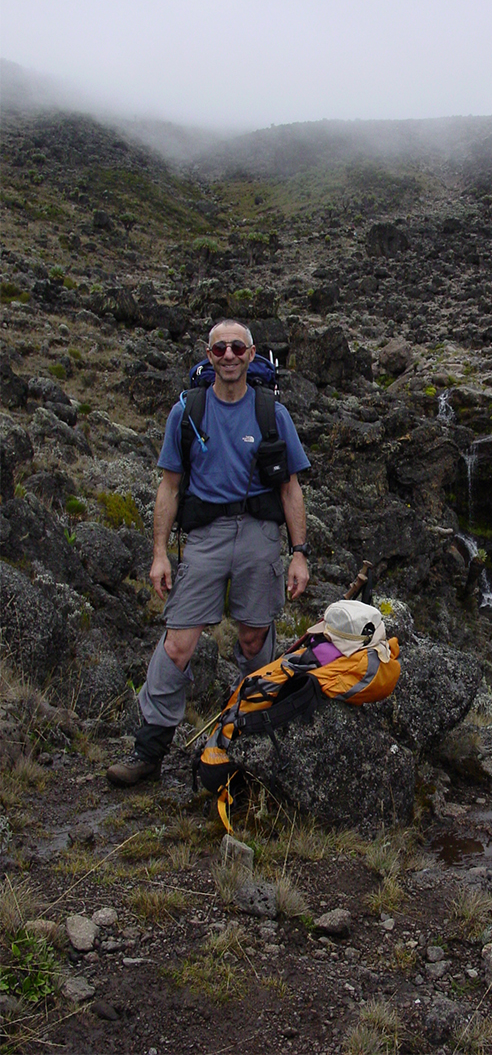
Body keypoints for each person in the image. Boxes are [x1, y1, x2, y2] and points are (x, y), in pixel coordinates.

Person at [108, 319, 310, 786]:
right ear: (209, 353)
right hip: (204, 538)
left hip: (259, 533)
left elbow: (291, 488)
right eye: (220, 348)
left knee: (254, 641)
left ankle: (259, 736)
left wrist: (299, 553)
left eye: (237, 347)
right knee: (179, 643)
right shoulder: (188, 411)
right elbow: (169, 487)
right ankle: (149, 751)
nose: (229, 355)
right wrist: (159, 552)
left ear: (252, 353)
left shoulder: (271, 413)